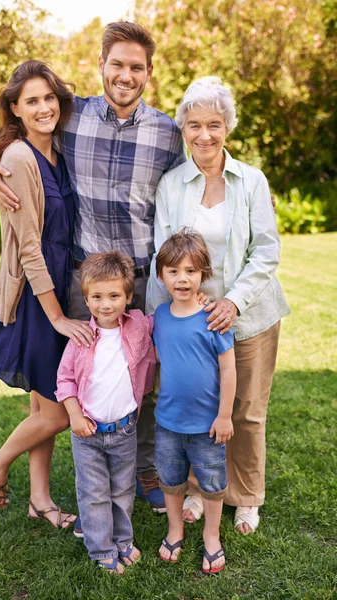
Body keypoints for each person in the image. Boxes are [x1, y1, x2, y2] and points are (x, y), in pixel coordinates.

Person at [0, 22, 186, 514]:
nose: (125, 75)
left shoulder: (168, 133)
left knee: (145, 380)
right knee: (74, 384)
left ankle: (142, 469)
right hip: (78, 283)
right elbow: (22, 139)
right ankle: (80, 481)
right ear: (101, 65)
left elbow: (197, 175)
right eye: (117, 64)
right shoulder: (75, 116)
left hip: (140, 279)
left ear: (149, 73)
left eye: (136, 67)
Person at [146, 76, 290, 535]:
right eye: (194, 125)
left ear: (226, 125)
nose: (204, 135)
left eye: (213, 123)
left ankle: (245, 496)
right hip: (189, 320)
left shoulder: (251, 180)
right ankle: (195, 489)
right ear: (183, 130)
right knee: (193, 405)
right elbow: (162, 253)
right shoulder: (171, 184)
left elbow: (266, 251)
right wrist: (169, 313)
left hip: (248, 315)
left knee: (245, 410)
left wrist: (231, 301)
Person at [0, 60, 94, 528]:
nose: (44, 108)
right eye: (32, 101)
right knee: (60, 414)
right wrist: (58, 317)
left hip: (58, 291)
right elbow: (29, 248)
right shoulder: (23, 159)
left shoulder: (56, 150)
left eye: (49, 98)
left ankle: (39, 500)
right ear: (15, 109)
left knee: (42, 404)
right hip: (38, 298)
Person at [55, 251, 156, 574]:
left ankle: (123, 540)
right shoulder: (81, 338)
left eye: (114, 296)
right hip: (88, 432)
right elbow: (65, 380)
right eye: (97, 297)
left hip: (124, 430)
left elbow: (166, 318)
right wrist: (74, 415)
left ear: (128, 296)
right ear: (86, 299)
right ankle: (101, 548)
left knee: (123, 489)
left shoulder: (139, 325)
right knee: (95, 492)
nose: (106, 304)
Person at [153, 230, 236, 574]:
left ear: (203, 274)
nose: (182, 278)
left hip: (207, 424)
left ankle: (212, 536)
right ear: (161, 276)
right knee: (171, 481)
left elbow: (228, 368)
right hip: (168, 421)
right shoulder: (158, 316)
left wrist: (225, 415)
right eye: (173, 271)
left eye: (190, 270)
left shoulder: (213, 318)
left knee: (212, 484)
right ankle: (175, 530)